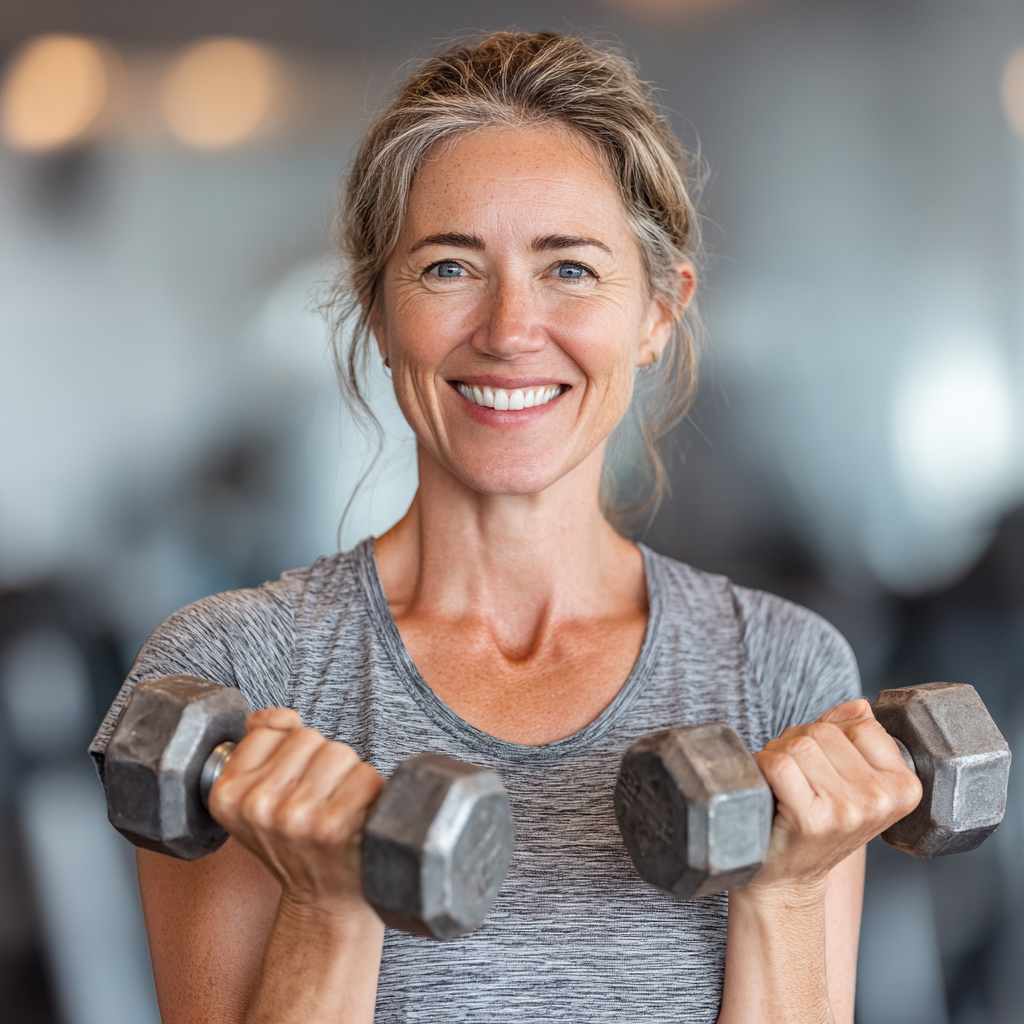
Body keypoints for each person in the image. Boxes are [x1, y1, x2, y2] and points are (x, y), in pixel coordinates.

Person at [90, 31, 920, 1024]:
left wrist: (783, 890)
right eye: (448, 268)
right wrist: (329, 902)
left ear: (658, 310)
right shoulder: (236, 678)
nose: (509, 329)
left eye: (569, 269)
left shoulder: (784, 676)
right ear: (377, 305)